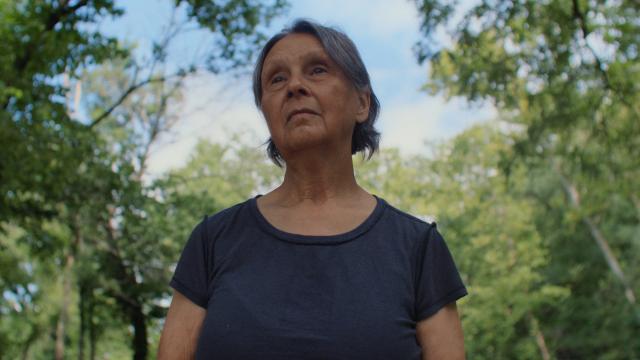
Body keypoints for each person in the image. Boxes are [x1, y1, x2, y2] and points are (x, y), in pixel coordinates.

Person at [158, 19, 467, 359]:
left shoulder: (418, 249)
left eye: (317, 70)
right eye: (276, 79)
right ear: (266, 112)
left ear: (361, 103)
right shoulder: (211, 242)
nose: (294, 86)